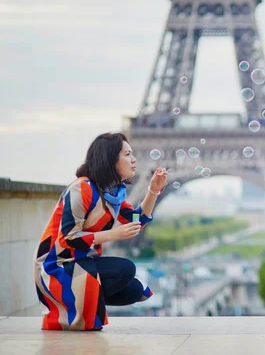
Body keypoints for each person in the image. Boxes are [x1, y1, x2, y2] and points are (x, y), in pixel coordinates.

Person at [33, 132, 167, 331]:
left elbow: (135, 220)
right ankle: (73, 307)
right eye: (127, 154)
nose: (134, 159)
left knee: (134, 290)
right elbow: (69, 237)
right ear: (111, 160)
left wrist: (153, 191)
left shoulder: (112, 194)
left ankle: (81, 307)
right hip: (58, 265)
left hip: (82, 262)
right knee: (126, 269)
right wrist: (115, 234)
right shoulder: (82, 188)